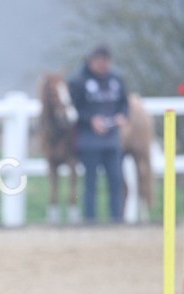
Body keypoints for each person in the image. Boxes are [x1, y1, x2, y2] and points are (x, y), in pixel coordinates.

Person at [68, 45, 130, 222]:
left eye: (107, 61)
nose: (104, 65)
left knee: (116, 182)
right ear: (91, 61)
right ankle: (90, 220)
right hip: (89, 142)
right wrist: (90, 120)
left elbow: (124, 104)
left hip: (112, 141)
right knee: (90, 184)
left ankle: (117, 220)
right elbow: (72, 110)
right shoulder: (78, 82)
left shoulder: (116, 80)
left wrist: (122, 116)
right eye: (100, 61)